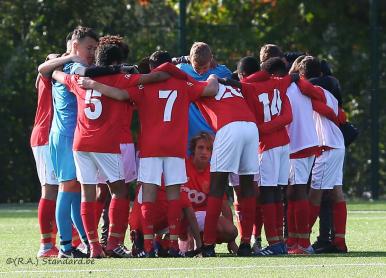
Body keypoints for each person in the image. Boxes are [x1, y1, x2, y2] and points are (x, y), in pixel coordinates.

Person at [77, 50, 219, 257]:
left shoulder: (143, 85)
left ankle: (148, 246)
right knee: (174, 195)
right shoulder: (183, 83)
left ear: (152, 68)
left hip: (150, 147)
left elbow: (120, 95)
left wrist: (93, 85)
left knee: (148, 194)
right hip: (175, 147)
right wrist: (213, 76)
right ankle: (171, 245)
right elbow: (211, 89)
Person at [52, 44, 175, 258]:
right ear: (117, 63)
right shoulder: (120, 78)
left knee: (87, 193)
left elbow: (55, 74)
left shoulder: (78, 80)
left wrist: (64, 62)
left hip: (81, 144)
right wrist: (127, 71)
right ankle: (113, 243)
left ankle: (93, 245)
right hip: (106, 144)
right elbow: (156, 78)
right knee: (119, 191)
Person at [38, 26, 99, 258]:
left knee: (75, 189)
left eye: (95, 48)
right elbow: (80, 70)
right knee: (69, 187)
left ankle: (81, 241)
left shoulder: (65, 63)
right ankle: (64, 246)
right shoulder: (71, 65)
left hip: (71, 135)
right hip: (65, 136)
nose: (92, 52)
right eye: (89, 48)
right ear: (75, 45)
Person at [225, 57, 293, 256]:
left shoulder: (246, 86)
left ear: (243, 74)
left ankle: (274, 244)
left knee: (267, 192)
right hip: (283, 144)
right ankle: (279, 240)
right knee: (277, 192)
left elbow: (237, 86)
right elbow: (288, 114)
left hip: (267, 145)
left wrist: (260, 129)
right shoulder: (278, 82)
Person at [299, 56, 348, 253]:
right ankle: (340, 242)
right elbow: (341, 116)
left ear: (303, 75)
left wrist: (293, 79)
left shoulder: (314, 90)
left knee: (315, 193)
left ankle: (303, 242)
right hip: (337, 145)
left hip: (327, 146)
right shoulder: (331, 92)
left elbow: (308, 95)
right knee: (336, 193)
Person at [181, 132, 238, 253]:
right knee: (185, 250)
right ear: (193, 150)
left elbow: (224, 205)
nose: (204, 152)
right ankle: (179, 239)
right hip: (182, 218)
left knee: (231, 231)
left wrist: (231, 241)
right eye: (200, 147)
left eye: (208, 149)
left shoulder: (214, 172)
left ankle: (205, 241)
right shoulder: (181, 166)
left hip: (204, 217)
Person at [32, 54, 60, 258]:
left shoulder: (47, 76)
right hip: (45, 136)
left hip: (51, 136)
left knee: (62, 190)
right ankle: (46, 245)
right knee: (50, 190)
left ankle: (60, 242)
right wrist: (66, 57)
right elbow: (43, 68)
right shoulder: (47, 73)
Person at [176, 42, 232, 142]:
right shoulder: (181, 70)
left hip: (215, 132)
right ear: (190, 60)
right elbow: (165, 64)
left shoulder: (223, 72)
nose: (201, 72)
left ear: (211, 59)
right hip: (189, 133)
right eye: (197, 68)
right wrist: (183, 58)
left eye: (205, 67)